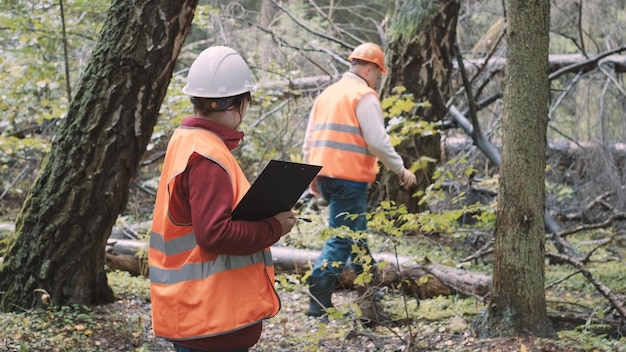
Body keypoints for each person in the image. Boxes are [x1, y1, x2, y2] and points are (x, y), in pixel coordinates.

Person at [148, 46, 297, 352]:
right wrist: (274, 227)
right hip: (211, 322)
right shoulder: (207, 157)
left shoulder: (187, 140)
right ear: (240, 103)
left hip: (198, 314)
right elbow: (214, 234)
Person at [302, 42, 417, 322]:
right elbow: (377, 141)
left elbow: (309, 140)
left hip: (328, 176)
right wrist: (401, 169)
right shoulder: (363, 96)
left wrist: (311, 176)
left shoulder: (328, 95)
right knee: (342, 238)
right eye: (378, 74)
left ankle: (370, 288)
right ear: (369, 68)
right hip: (348, 178)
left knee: (357, 235)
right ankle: (318, 300)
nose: (378, 80)